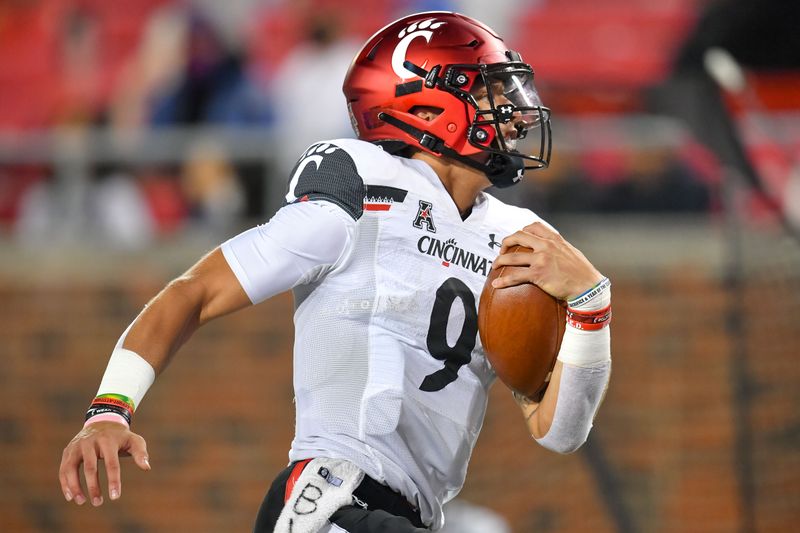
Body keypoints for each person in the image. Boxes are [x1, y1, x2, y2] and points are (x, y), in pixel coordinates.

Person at [59, 12, 612, 533]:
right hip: (332, 501)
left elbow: (559, 431)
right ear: (425, 108)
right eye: (489, 92)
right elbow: (197, 291)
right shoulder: (361, 191)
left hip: (410, 513)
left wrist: (591, 305)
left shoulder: (519, 238)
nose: (514, 111)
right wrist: (110, 409)